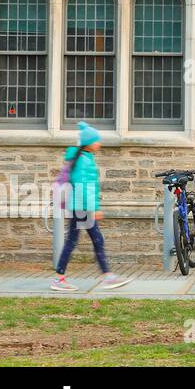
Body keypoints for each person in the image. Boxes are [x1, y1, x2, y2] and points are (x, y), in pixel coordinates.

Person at [51, 122, 132, 291]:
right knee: (93, 240)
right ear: (88, 143)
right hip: (82, 207)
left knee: (77, 241)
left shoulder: (84, 158)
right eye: (97, 140)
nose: (99, 143)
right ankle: (106, 276)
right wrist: (94, 208)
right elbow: (84, 187)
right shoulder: (83, 161)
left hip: (80, 207)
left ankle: (63, 277)